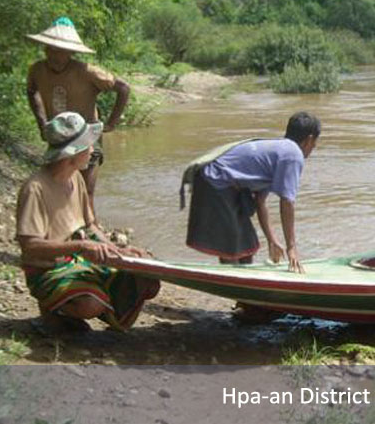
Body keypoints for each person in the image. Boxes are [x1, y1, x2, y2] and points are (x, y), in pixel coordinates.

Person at [16, 112, 159, 333]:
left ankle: (89, 309)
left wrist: (117, 250)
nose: (92, 151)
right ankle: (52, 314)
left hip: (80, 261)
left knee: (145, 273)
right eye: (89, 146)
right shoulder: (35, 188)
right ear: (72, 154)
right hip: (49, 269)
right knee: (90, 304)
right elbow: (30, 247)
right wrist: (81, 246)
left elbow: (90, 226)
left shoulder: (75, 178)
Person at [184, 112, 320, 273]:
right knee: (231, 247)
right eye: (315, 142)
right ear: (309, 139)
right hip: (215, 182)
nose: (314, 147)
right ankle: (234, 282)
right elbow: (287, 202)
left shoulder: (280, 150)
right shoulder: (293, 154)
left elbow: (260, 202)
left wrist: (272, 240)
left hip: (228, 186)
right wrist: (292, 248)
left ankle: (242, 282)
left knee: (247, 246)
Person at [26, 17, 130, 214]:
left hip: (87, 135)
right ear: (45, 48)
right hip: (59, 135)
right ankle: (66, 222)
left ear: (71, 52)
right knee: (61, 181)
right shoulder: (37, 70)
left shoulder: (87, 72)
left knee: (86, 187)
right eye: (51, 49)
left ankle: (90, 225)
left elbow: (123, 88)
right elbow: (31, 91)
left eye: (60, 50)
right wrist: (42, 123)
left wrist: (111, 124)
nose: (54, 54)